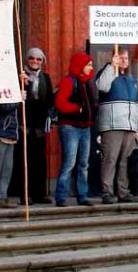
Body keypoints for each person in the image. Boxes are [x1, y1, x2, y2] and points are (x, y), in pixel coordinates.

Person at [96, 48, 138, 204]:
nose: (123, 60)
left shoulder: (132, 80)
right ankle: (106, 192)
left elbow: (137, 105)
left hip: (128, 126)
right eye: (120, 57)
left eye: (126, 58)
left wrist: (137, 127)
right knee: (110, 159)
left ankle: (123, 191)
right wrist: (111, 66)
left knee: (124, 161)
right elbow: (102, 87)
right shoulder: (107, 74)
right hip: (112, 125)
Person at [11, 47, 55, 205]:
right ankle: (25, 194)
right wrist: (23, 85)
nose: (35, 62)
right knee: (25, 161)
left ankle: (40, 193)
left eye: (38, 59)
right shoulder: (20, 77)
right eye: (32, 58)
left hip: (39, 125)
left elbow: (49, 99)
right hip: (25, 124)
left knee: (40, 161)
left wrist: (50, 115)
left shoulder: (45, 78)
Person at [54, 52, 97, 207]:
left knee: (83, 164)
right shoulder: (68, 81)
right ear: (80, 65)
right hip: (70, 127)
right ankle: (61, 196)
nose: (91, 67)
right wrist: (78, 109)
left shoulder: (87, 82)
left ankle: (82, 195)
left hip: (85, 127)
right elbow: (60, 103)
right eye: (89, 65)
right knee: (69, 163)